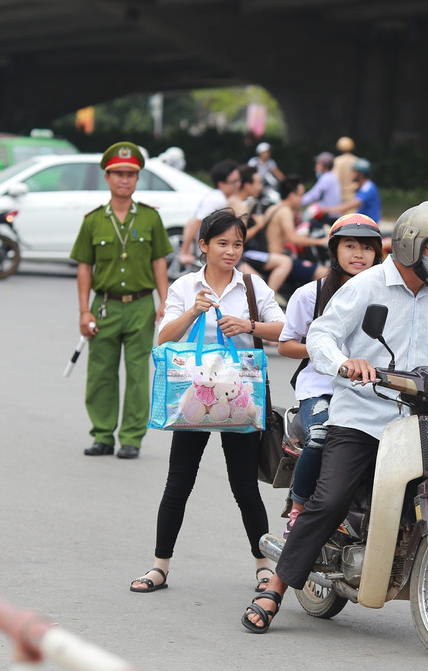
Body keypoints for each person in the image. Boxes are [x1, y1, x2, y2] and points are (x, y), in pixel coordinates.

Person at [241, 199, 428, 640]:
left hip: (420, 420)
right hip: (363, 418)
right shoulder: (367, 287)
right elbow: (323, 334)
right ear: (410, 247)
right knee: (329, 500)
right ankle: (275, 587)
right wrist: (345, 363)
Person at [130, 209, 286, 593]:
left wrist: (248, 325)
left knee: (245, 486)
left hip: (240, 397)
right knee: (178, 482)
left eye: (237, 244)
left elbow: (284, 330)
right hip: (194, 396)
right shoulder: (185, 286)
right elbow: (164, 339)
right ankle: (159, 567)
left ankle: (263, 566)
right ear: (203, 246)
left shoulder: (252, 286)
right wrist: (193, 312)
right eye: (222, 244)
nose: (230, 251)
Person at [277, 213, 384, 533]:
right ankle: (298, 509)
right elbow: (285, 346)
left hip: (371, 389)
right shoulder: (310, 294)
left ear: (378, 254)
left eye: (367, 248)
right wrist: (330, 354)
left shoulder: (387, 295)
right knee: (322, 435)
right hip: (321, 388)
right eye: (349, 246)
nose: (358, 254)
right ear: (334, 251)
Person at [70, 141, 171, 459]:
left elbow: (159, 262)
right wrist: (84, 310)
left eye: (130, 174)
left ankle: (131, 438)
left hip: (141, 304)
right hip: (105, 306)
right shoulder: (93, 220)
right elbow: (85, 266)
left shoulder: (151, 218)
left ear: (137, 178)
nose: (124, 179)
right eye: (118, 174)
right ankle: (102, 434)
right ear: (107, 177)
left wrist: (165, 301)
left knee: (138, 373)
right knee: (101, 371)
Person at [233, 166, 295, 296]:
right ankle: (268, 301)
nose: (261, 187)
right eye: (258, 183)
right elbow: (239, 238)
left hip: (240, 253)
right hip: (240, 255)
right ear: (247, 185)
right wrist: (259, 226)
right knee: (282, 264)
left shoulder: (239, 201)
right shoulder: (241, 205)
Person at [262, 176, 329, 284]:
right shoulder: (285, 211)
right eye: (301, 195)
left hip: (271, 256)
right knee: (325, 273)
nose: (302, 199)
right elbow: (293, 239)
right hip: (280, 258)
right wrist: (320, 241)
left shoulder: (272, 208)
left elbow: (278, 235)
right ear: (292, 195)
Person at [179, 159, 241, 265]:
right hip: (208, 252)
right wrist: (185, 251)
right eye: (234, 182)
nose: (238, 185)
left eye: (239, 180)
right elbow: (197, 221)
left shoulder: (216, 196)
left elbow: (191, 220)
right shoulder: (217, 200)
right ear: (221, 184)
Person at [323, 158, 381, 224]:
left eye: (354, 171)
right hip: (362, 223)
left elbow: (353, 204)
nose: (351, 174)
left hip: (368, 225)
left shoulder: (368, 187)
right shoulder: (363, 187)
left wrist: (330, 210)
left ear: (361, 174)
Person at [300, 151, 342, 218]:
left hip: (328, 217)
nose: (316, 167)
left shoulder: (326, 178)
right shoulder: (330, 176)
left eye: (318, 164)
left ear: (325, 166)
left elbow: (313, 195)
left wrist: (298, 201)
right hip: (331, 215)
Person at [333, 136, 358, 203]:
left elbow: (335, 178)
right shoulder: (356, 160)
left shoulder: (337, 161)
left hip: (341, 194)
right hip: (355, 194)